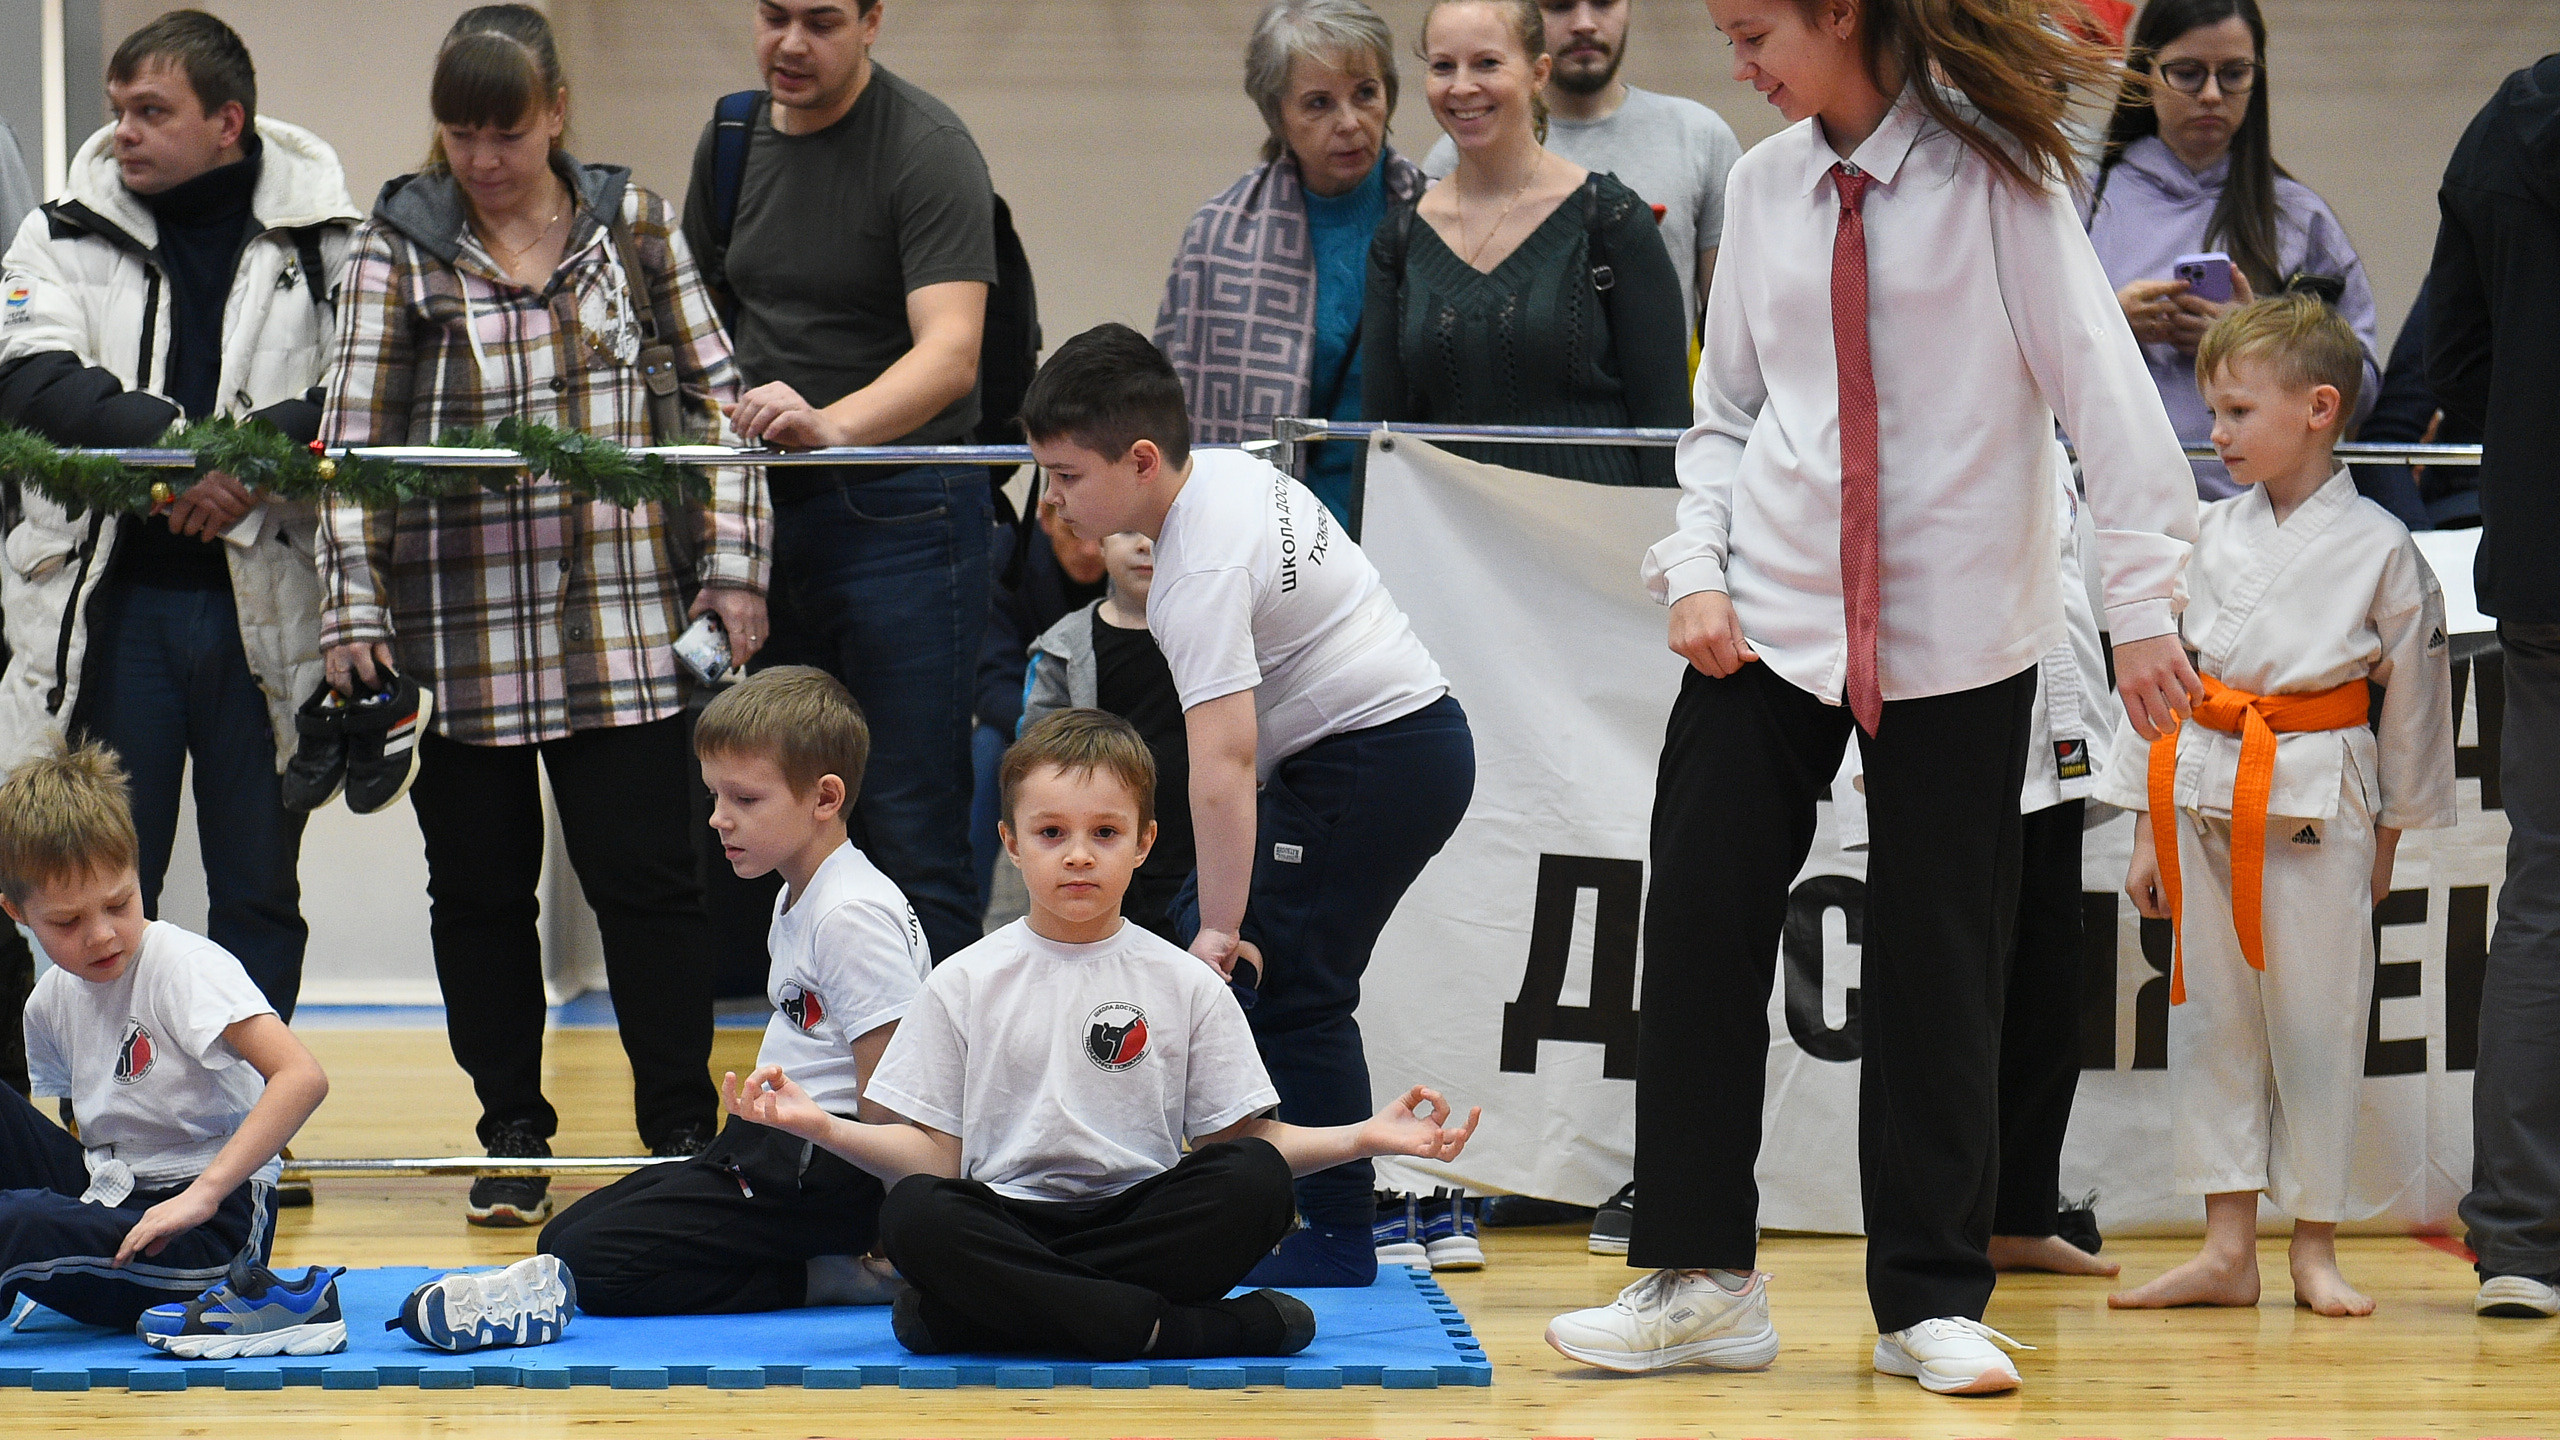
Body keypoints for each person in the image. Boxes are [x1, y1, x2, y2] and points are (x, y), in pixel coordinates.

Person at [1545, 0, 2199, 1396]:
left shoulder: (2003, 182)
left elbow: (2108, 400)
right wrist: (1695, 566)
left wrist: (2142, 609)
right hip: (1769, 618)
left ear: (1839, 14)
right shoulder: (1773, 186)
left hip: (1963, 630)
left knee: (1941, 959)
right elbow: (1726, 417)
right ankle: (1703, 1277)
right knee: (1705, 908)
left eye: (1750, 28)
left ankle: (1927, 1300)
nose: (1736, 62)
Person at [317, 6, 767, 1225]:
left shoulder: (636, 224)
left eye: (504, 131)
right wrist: (351, 607)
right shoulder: (398, 246)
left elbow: (719, 406)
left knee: (653, 880)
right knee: (475, 892)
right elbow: (352, 446)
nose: (481, 159)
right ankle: (509, 1124)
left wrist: (734, 568)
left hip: (619, 622)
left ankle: (680, 1122)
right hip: (458, 631)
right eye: (459, 134)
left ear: (556, 112)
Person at [721, 708, 1482, 1360]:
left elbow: (1246, 1142)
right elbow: (932, 1158)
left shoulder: (1184, 983)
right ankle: (1170, 1331)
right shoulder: (963, 979)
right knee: (915, 1212)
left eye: (1105, 832)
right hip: (1004, 1220)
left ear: (1144, 843)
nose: (1078, 853)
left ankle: (1003, 1314)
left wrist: (1365, 1137)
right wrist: (820, 1124)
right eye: (1051, 832)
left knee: (1253, 1181)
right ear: (1012, 844)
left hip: (1139, 1220)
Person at [1027, 324, 1476, 1289]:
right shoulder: (1226, 475)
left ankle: (1340, 1233)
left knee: (1281, 979)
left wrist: (1224, 933)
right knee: (1222, 935)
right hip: (1395, 746)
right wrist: (1217, 923)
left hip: (1381, 757)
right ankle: (1259, 1191)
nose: (1052, 500)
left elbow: (1224, 767)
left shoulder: (1193, 575)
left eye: (1065, 475)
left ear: (1141, 460)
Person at [0, 10, 356, 1029]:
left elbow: (367, 388)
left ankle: (252, 1130)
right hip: (116, 616)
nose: (124, 133)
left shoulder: (332, 239)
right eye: (118, 112)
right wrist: (189, 461)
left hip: (268, 608)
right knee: (105, 886)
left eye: (152, 112)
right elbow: (32, 379)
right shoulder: (58, 227)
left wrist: (248, 463)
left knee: (256, 889)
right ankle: (111, 1134)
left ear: (227, 121)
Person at [2101, 295, 2455, 1316]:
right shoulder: (2207, 533)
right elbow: (2164, 679)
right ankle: (2225, 1248)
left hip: (2317, 797)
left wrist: (2388, 838)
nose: (2215, 434)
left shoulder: (2382, 546)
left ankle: (2314, 1245)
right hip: (2203, 786)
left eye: (2236, 412)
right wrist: (2141, 825)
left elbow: (2415, 711)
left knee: (2318, 1020)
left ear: (2318, 408)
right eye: (2213, 413)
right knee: (2213, 1020)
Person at [682, 0, 998, 964]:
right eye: (774, 16)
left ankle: (935, 1101)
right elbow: (694, 336)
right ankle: (819, 1075)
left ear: (872, 22)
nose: (790, 45)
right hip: (763, 517)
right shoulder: (732, 139)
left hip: (904, 512)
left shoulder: (928, 144)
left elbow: (952, 354)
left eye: (821, 22)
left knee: (908, 815)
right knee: (767, 812)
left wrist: (833, 428)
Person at [539, 667, 929, 1315]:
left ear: (824, 798)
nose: (719, 819)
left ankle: (826, 1278)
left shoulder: (852, 914)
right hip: (770, 1150)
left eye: (744, 800)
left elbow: (890, 1097)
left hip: (824, 1173)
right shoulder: (796, 893)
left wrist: (895, 1231)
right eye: (714, 796)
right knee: (560, 1242)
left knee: (593, 1268)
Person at [0, 738, 330, 1339]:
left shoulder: (183, 968)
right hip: (118, 1193)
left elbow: (302, 1077)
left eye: (119, 903)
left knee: (17, 1224)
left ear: (138, 873)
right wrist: (77, 1214)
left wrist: (202, 1196)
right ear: (17, 914)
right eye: (69, 922)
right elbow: (92, 1124)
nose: (102, 935)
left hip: (211, 1229)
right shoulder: (48, 1001)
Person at [2433, 49, 2560, 1323]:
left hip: (2543, 557)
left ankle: (2520, 1237)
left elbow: (2448, 365)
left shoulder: (2505, 123)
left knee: (2545, 890)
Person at [1362, 0, 1687, 488]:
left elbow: (1666, 434)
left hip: (1598, 544)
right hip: (1448, 545)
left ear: (1538, 74)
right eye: (1443, 66)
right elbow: (1380, 443)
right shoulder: (1399, 241)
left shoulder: (1612, 221)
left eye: (1487, 63)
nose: (1462, 86)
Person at [2082, 0, 2381, 502]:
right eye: (2187, 74)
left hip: (2259, 515)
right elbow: (2007, 364)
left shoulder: (2298, 218)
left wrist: (2259, 342)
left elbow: (2362, 388)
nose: (2212, 95)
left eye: (2235, 74)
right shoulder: (2080, 204)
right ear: (2143, 73)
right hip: (2104, 509)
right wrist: (2104, 324)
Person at [1154, 0, 1427, 528]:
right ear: (1277, 114)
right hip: (1272, 539)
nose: (1349, 123)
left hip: (1414, 531)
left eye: (1365, 93)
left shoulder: (1443, 221)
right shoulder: (1216, 238)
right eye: (1319, 103)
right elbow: (1171, 411)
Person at [1985, 465, 2121, 1280]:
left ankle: (2019, 1211)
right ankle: (1937, 1220)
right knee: (1956, 977)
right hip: (1952, 698)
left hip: (2056, 709)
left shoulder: (2058, 453)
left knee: (2048, 966)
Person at [1421, 0, 1742, 344]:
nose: (1584, 23)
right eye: (1560, 6)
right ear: (1526, 17)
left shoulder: (1700, 137)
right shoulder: (1458, 156)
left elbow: (1732, 330)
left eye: (1604, 3)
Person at [1023, 531, 1195, 940]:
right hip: (1099, 858)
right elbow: (1030, 762)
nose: (1145, 545)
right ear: (1098, 539)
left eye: (1162, 531)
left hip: (1195, 860)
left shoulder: (1216, 636)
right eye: (1129, 531)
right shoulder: (1063, 648)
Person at [972, 487, 1107, 915]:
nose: (1089, 551)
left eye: (1100, 535)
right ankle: (967, 918)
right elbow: (991, 679)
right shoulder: (1008, 557)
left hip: (1120, 726)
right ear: (1046, 519)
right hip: (1029, 724)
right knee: (986, 751)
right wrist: (1055, 735)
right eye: (1073, 532)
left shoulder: (1138, 561)